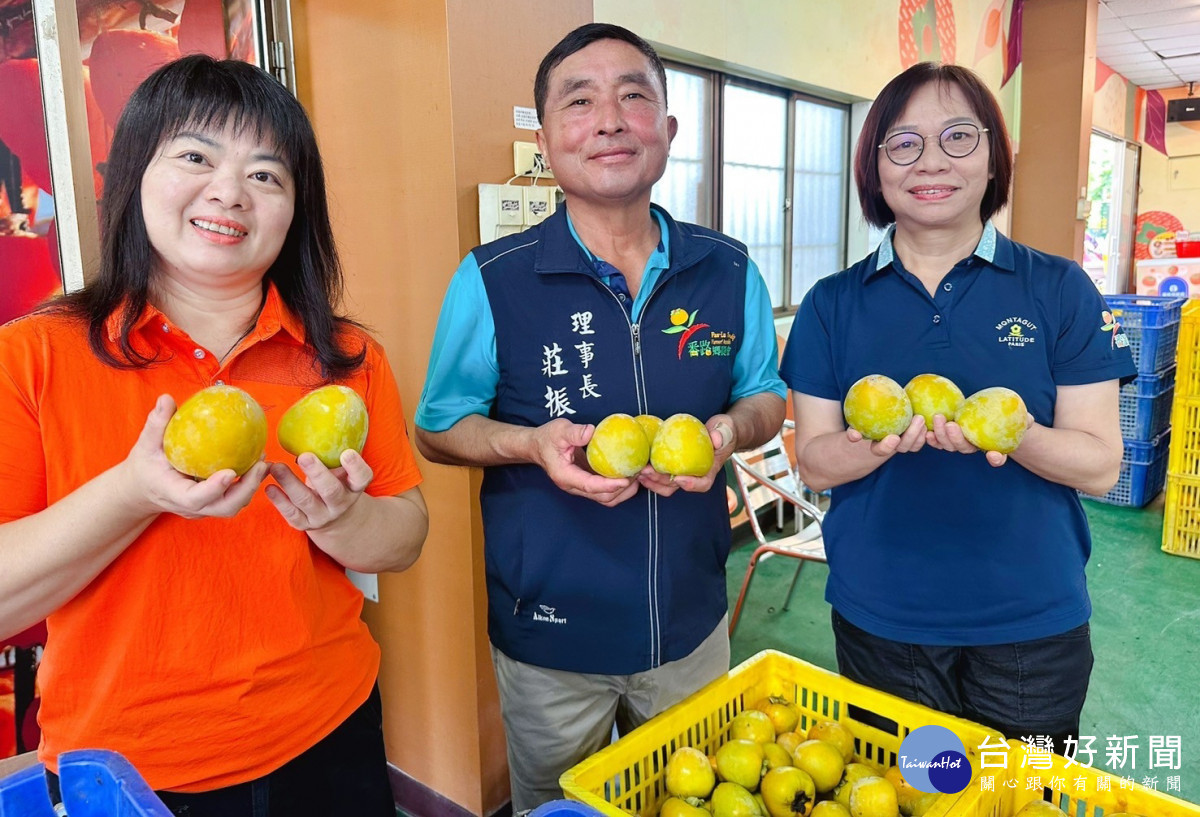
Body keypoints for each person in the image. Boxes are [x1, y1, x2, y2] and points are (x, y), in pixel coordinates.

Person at [0, 56, 428, 816]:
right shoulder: (34, 355)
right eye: (196, 156)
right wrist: (133, 492)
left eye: (268, 175)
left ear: (298, 209)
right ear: (133, 174)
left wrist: (341, 517)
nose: (230, 191)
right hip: (125, 768)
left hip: (330, 730)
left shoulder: (345, 359)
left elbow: (404, 536)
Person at [415, 23, 786, 811]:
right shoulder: (492, 279)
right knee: (561, 804)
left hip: (690, 625)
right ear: (547, 138)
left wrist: (728, 432)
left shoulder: (727, 269)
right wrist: (527, 443)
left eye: (633, 96)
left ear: (668, 129)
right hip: (550, 637)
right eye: (579, 102)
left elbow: (765, 396)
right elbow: (437, 427)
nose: (610, 119)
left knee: (700, 797)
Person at [781, 62, 1135, 752]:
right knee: (905, 790)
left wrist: (1016, 434)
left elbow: (1099, 467)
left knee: (1018, 794)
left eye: (958, 137)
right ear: (874, 166)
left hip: (1032, 621)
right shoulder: (831, 303)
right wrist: (876, 444)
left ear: (995, 157)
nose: (932, 161)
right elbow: (817, 464)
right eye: (904, 143)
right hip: (883, 617)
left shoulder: (1059, 288)